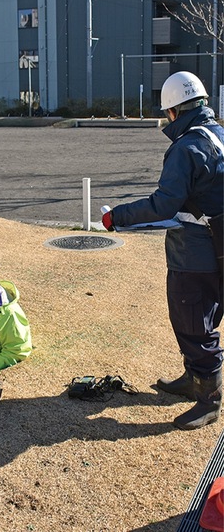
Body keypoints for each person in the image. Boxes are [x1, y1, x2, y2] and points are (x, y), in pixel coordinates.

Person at [102, 71, 223, 430]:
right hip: (220, 247)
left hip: (194, 255)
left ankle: (209, 399)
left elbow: (163, 205)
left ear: (173, 111)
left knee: (192, 323)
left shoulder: (186, 148)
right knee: (205, 315)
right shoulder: (219, 135)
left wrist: (117, 217)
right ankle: (193, 380)